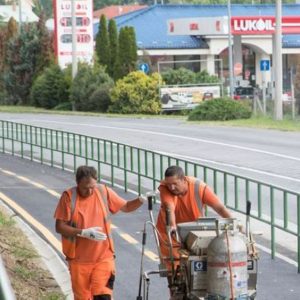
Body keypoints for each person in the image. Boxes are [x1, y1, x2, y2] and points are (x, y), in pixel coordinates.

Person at [54, 165, 144, 300]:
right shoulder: (68, 197)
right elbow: (59, 227)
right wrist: (83, 232)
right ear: (77, 183)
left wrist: (141, 200)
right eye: (85, 188)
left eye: (92, 187)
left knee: (103, 296)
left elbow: (126, 206)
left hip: (103, 258)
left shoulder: (103, 191)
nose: (90, 191)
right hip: (79, 261)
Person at [156, 165, 232, 268]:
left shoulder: (199, 188)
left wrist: (234, 223)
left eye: (175, 184)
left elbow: (220, 208)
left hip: (194, 231)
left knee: (200, 263)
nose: (172, 188)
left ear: (184, 180)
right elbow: (170, 208)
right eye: (169, 184)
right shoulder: (165, 187)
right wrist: (173, 227)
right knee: (175, 267)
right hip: (170, 233)